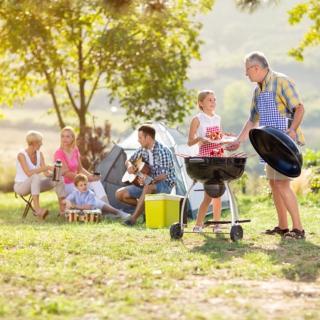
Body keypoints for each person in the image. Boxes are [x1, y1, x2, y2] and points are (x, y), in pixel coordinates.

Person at [228, 51, 305, 239]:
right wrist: (238, 140)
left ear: (256, 67)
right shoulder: (258, 90)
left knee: (282, 184)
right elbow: (252, 120)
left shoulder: (281, 81)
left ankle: (298, 229)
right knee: (273, 183)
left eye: (247, 71)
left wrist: (293, 129)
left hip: (284, 144)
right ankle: (282, 226)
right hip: (268, 145)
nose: (246, 75)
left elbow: (299, 108)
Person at [54, 126, 129, 220]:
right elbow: (66, 173)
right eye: (63, 136)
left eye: (68, 136)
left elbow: (80, 169)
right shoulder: (59, 153)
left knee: (96, 182)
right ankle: (115, 212)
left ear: (73, 138)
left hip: (79, 182)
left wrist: (91, 176)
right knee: (93, 198)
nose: (64, 139)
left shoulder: (75, 150)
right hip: (68, 185)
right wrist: (87, 179)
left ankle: (107, 208)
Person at [116, 125, 176, 226]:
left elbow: (164, 175)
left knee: (148, 187)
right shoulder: (142, 149)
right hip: (147, 183)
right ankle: (146, 210)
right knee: (120, 194)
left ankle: (133, 219)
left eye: (140, 138)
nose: (138, 140)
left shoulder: (163, 151)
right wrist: (130, 166)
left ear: (148, 138)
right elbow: (128, 160)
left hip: (164, 184)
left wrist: (148, 180)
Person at [188, 90, 224, 233]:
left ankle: (216, 225)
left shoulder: (218, 118)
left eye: (214, 100)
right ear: (201, 103)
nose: (213, 102)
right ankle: (198, 225)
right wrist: (199, 139)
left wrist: (226, 139)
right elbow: (190, 142)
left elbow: (219, 137)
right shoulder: (197, 119)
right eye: (210, 100)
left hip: (219, 156)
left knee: (218, 194)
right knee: (210, 193)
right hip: (206, 158)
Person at [14, 130, 65, 219]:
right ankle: (38, 210)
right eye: (40, 141)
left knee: (59, 179)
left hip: (35, 184)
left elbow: (46, 173)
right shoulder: (21, 155)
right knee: (35, 177)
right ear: (34, 143)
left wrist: (56, 172)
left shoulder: (39, 154)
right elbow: (28, 173)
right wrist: (46, 167)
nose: (42, 144)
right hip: (21, 186)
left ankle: (63, 210)